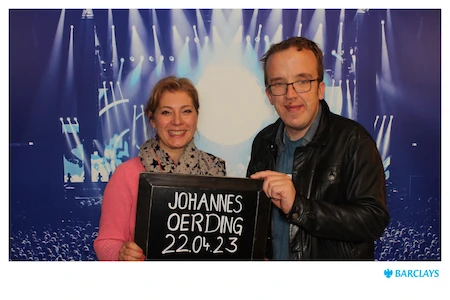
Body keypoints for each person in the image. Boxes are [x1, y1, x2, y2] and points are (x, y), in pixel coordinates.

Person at [247, 36, 390, 260]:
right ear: (269, 96)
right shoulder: (263, 142)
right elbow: (257, 216)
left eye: (302, 81)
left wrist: (298, 207)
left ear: (320, 89)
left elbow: (373, 220)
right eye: (278, 84)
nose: (290, 94)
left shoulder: (354, 141)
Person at [94, 76, 227, 261]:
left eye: (186, 111)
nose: (177, 121)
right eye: (166, 112)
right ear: (153, 119)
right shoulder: (127, 174)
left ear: (196, 116)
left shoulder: (216, 170)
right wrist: (120, 254)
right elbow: (106, 242)